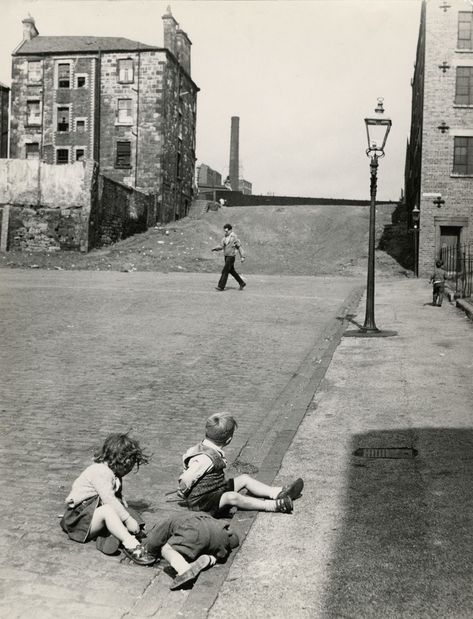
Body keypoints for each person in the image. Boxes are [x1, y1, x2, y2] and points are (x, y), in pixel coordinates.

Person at [177, 412, 304, 516]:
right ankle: (273, 505)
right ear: (229, 440)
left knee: (244, 479)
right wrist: (183, 491)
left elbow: (186, 462)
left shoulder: (199, 448)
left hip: (214, 491)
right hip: (202, 503)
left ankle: (278, 492)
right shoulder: (206, 458)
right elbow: (187, 477)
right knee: (232, 497)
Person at [60, 432, 156, 566]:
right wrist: (127, 520)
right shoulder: (101, 472)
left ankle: (114, 535)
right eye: (129, 466)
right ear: (122, 462)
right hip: (79, 520)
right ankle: (130, 544)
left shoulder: (114, 473)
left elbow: (118, 498)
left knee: (125, 510)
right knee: (109, 511)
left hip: (92, 514)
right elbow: (109, 499)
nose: (129, 470)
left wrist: (128, 514)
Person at [144, 512, 239, 590]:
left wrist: (151, 552)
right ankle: (211, 558)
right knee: (204, 543)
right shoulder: (193, 514)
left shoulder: (164, 523)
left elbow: (152, 542)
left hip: (193, 531)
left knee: (165, 549)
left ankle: (183, 568)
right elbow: (235, 541)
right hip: (218, 530)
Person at [211, 224, 246, 291]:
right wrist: (215, 248)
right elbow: (221, 246)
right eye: (224, 231)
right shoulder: (224, 238)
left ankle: (221, 286)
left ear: (230, 230)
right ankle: (242, 283)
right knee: (232, 271)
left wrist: (242, 256)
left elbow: (239, 247)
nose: (225, 232)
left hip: (231, 257)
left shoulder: (234, 238)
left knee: (225, 271)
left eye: (226, 231)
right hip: (226, 256)